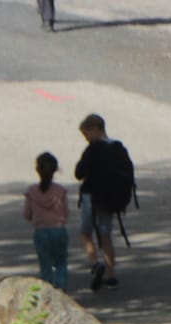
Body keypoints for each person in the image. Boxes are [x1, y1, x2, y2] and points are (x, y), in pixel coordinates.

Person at [72, 114, 128, 291]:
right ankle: (111, 275)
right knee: (106, 237)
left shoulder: (92, 149)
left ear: (95, 129)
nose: (86, 138)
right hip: (111, 199)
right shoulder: (117, 147)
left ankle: (95, 263)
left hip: (91, 197)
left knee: (85, 232)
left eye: (86, 134)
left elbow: (79, 173)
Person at [23, 152, 70, 290]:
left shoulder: (31, 191)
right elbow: (65, 212)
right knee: (61, 262)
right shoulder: (60, 191)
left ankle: (47, 290)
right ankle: (61, 289)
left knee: (45, 264)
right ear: (55, 170)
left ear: (37, 169)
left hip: (41, 231)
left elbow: (27, 214)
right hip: (59, 230)